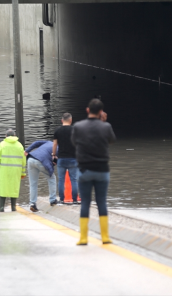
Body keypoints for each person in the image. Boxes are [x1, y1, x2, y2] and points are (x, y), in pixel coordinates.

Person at [72, 99, 116, 245]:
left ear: (87, 110)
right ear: (101, 112)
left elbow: (74, 142)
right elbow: (111, 141)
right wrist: (103, 123)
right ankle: (105, 237)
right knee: (101, 201)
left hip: (84, 170)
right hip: (102, 170)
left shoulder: (78, 126)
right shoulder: (106, 127)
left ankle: (83, 238)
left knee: (85, 202)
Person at [0, 129, 26, 212]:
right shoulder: (19, 145)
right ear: (14, 135)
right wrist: (23, 173)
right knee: (14, 187)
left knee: (3, 186)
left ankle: (1, 207)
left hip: (4, 169)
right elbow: (23, 160)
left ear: (5, 136)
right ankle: (13, 207)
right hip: (16, 170)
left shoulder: (3, 144)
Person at [53, 113, 79, 204]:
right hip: (73, 158)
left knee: (61, 180)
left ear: (62, 120)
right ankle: (75, 200)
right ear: (71, 120)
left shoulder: (57, 131)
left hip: (61, 159)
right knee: (74, 180)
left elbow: (55, 144)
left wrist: (53, 154)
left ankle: (61, 200)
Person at [25, 140, 57, 212]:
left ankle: (32, 203)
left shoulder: (48, 142)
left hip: (31, 158)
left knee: (33, 183)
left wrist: (27, 150)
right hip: (41, 161)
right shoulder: (58, 148)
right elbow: (55, 161)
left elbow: (36, 143)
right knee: (52, 178)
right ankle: (52, 200)